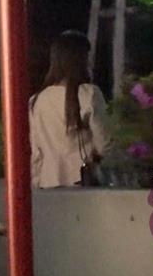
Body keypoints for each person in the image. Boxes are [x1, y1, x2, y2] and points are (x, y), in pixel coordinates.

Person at [30, 30, 112, 188]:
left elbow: (36, 153)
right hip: (82, 181)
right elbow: (104, 145)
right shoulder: (89, 94)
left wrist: (35, 185)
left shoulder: (37, 100)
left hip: (49, 182)